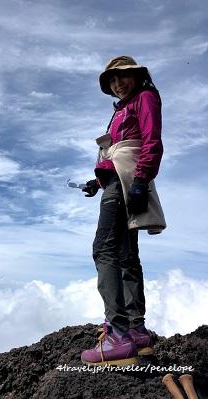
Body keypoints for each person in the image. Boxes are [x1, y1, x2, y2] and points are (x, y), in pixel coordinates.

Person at [81, 56, 166, 366]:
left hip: (128, 181)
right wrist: (97, 180)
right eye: (112, 81)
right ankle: (136, 331)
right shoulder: (123, 109)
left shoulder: (144, 97)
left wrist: (142, 179)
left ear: (137, 76)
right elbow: (119, 154)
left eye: (123, 76)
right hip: (120, 180)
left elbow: (151, 141)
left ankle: (118, 335)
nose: (118, 84)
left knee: (103, 249)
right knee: (127, 254)